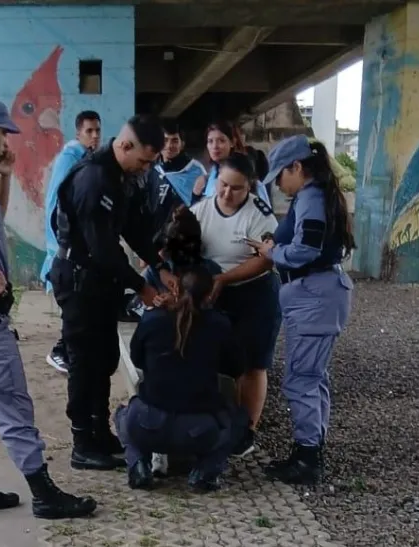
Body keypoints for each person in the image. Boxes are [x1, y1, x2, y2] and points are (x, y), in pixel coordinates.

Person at [0, 95, 96, 519]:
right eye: (3, 130)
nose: (7, 139)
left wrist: (4, 177)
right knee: (11, 402)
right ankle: (43, 493)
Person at [48, 115, 177, 471]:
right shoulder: (94, 178)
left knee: (104, 358)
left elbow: (134, 227)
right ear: (124, 146)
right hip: (78, 280)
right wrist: (143, 287)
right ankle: (82, 442)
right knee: (83, 361)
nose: (147, 168)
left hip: (101, 281)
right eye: (144, 161)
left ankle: (100, 431)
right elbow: (103, 248)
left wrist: (158, 264)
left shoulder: (124, 176)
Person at [246, 134, 356, 485]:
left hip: (314, 297)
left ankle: (308, 459)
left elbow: (305, 249)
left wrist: (271, 254)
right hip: (321, 295)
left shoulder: (310, 197)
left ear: (297, 167)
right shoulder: (317, 195)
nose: (278, 184)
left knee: (301, 380)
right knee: (313, 378)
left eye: (280, 175)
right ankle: (310, 449)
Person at [114, 266, 250, 492]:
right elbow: (236, 367)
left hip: (147, 424)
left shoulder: (152, 318)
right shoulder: (219, 324)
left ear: (175, 288)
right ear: (210, 295)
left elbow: (137, 360)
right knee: (240, 419)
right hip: (199, 430)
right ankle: (204, 472)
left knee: (121, 415)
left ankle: (138, 464)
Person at [192, 152, 282, 457]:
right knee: (215, 361)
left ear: (250, 188)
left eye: (237, 188)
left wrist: (224, 279)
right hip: (215, 292)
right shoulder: (201, 210)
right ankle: (214, 422)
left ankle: (247, 431)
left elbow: (265, 261)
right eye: (223, 185)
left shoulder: (261, 215)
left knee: (252, 364)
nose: (227, 193)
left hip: (253, 293)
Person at [40, 110, 102, 374]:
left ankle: (71, 351)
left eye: (98, 130)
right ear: (78, 133)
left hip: (81, 248)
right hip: (67, 249)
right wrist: (60, 243)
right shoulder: (70, 159)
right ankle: (60, 351)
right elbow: (57, 203)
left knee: (81, 306)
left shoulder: (89, 160)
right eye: (89, 131)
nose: (95, 136)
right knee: (73, 307)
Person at [201, 122, 272, 207]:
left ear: (232, 142)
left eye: (221, 141)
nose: (215, 146)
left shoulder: (247, 175)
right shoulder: (212, 175)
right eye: (210, 141)